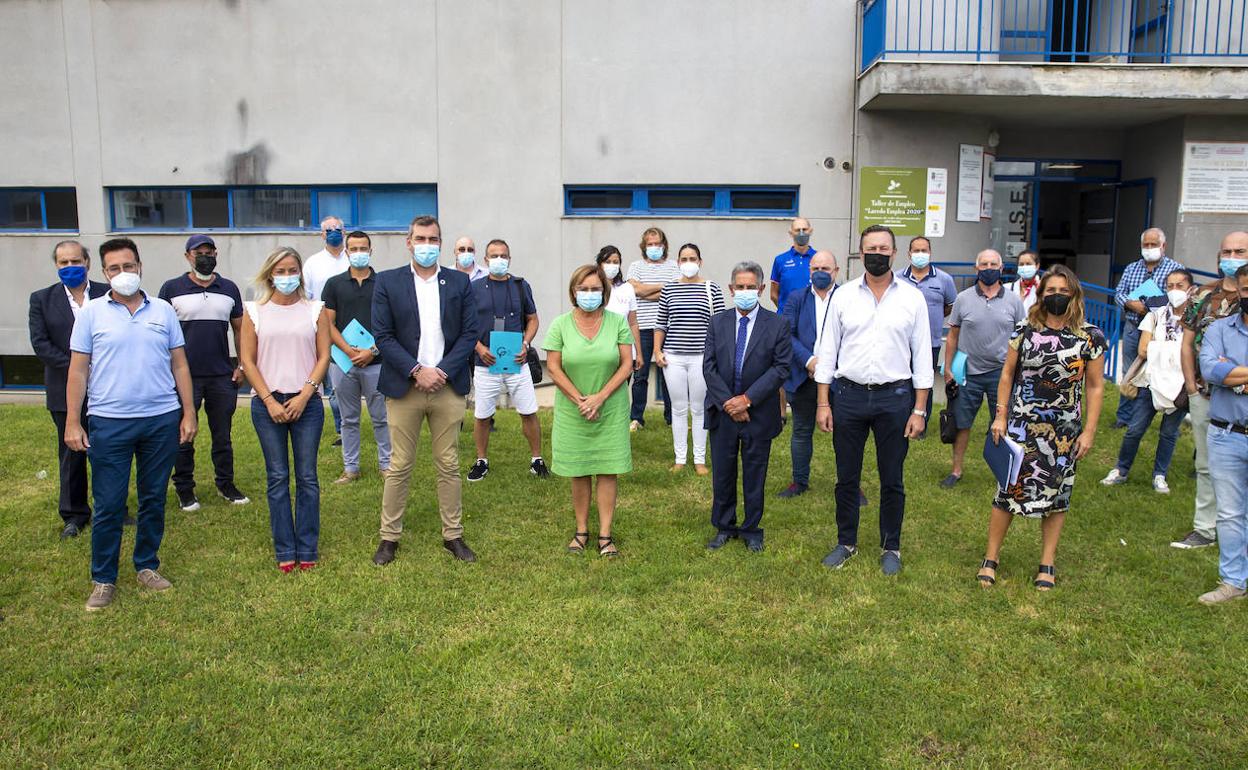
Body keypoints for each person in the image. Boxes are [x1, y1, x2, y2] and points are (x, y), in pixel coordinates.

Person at [65, 238, 197, 611]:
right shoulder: (91, 313)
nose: (123, 274)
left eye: (129, 266)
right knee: (108, 503)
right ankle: (103, 577)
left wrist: (188, 412)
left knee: (154, 497)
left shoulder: (163, 311)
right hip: (109, 421)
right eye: (114, 269)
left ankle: (147, 565)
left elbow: (180, 365)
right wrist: (73, 421)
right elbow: (78, 370)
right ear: (104, 273)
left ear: (140, 266)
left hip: (160, 419)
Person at [977, 265, 1106, 591]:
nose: (1057, 296)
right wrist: (1000, 416)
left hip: (1064, 433)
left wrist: (1089, 431)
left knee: (1058, 498)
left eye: (1063, 290)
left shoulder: (1091, 337)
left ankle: (1047, 563)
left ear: (1074, 294)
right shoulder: (1024, 330)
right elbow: (1007, 375)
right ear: (1041, 294)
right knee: (1007, 492)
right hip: (1022, 427)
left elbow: (1094, 387)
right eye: (1051, 291)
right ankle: (990, 558)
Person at [816, 225, 933, 576]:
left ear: (894, 254)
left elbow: (922, 356)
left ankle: (891, 547)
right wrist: (823, 403)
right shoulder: (844, 296)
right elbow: (827, 352)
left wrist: (919, 409)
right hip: (848, 396)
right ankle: (846, 542)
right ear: (861, 253)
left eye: (884, 248)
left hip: (895, 399)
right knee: (846, 476)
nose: (877, 253)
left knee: (892, 478)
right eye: (871, 248)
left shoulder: (912, 298)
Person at [371, 215, 480, 566]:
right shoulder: (387, 282)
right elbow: (383, 336)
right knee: (400, 464)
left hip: (448, 386)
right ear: (408, 242)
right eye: (421, 239)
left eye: (433, 239)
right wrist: (416, 370)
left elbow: (468, 333)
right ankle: (389, 538)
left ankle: (453, 535)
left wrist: (442, 371)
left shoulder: (459, 284)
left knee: (448, 463)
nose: (427, 245)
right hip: (405, 386)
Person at [238, 247, 331, 572]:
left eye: (293, 271)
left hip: (306, 404)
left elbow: (323, 356)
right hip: (268, 405)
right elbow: (248, 361)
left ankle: (307, 548)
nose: (287, 277)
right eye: (281, 271)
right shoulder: (254, 312)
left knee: (307, 478)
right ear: (269, 275)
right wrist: (268, 400)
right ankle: (284, 550)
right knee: (277, 477)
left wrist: (306, 394)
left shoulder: (315, 310)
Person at [543, 264, 634, 557]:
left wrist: (600, 398)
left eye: (595, 289)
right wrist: (581, 400)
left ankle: (606, 535)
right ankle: (581, 531)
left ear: (604, 292)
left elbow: (626, 365)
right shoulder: (559, 325)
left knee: (608, 470)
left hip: (610, 408)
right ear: (573, 291)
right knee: (579, 470)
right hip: (573, 411)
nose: (589, 294)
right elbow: (554, 368)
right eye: (583, 289)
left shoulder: (617, 322)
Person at [703, 261, 791, 552]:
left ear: (762, 289)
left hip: (758, 412)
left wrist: (747, 399)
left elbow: (780, 368)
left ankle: (752, 528)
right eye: (739, 287)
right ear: (730, 289)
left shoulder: (777, 324)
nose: (745, 291)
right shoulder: (717, 323)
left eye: (750, 287)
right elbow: (709, 367)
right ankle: (724, 525)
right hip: (723, 411)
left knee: (755, 473)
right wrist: (729, 403)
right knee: (723, 472)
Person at [158, 234, 250, 511]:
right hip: (183, 376)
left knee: (223, 435)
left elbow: (240, 330)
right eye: (199, 252)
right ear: (188, 255)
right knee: (184, 435)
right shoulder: (171, 288)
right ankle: (185, 488)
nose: (205, 256)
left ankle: (226, 484)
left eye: (209, 251)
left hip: (221, 375)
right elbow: (160, 332)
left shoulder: (229, 288)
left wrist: (242, 365)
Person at [1172, 231, 1248, 550]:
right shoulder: (1202, 295)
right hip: (1206, 394)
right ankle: (1205, 527)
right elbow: (1188, 342)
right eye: (1226, 251)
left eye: (1239, 251)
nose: (1232, 257)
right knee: (1206, 464)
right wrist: (1191, 385)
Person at [29, 241, 109, 538]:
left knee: (108, 452)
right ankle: (74, 515)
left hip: (107, 390)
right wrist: (80, 367)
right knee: (72, 452)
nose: (69, 266)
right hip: (64, 389)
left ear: (87, 262)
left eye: (75, 260)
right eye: (63, 262)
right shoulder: (42, 299)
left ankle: (112, 507)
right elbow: (41, 344)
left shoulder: (107, 293)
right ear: (56, 266)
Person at [1101, 269, 1195, 494]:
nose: (1174, 291)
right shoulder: (1156, 315)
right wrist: (1178, 352)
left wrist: (1162, 348)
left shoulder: (1196, 319)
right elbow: (1143, 349)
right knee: (1135, 429)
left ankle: (1159, 475)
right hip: (1150, 382)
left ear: (1190, 289)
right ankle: (1121, 470)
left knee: (1169, 433)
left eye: (1179, 286)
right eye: (1170, 286)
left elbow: (1195, 353)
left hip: (1180, 387)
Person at [940, 249, 1025, 488]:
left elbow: (1022, 337)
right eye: (984, 264)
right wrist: (948, 368)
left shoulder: (1013, 301)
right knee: (961, 423)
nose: (989, 268)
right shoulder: (963, 298)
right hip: (967, 371)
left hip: (1002, 373)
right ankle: (956, 470)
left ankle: (1005, 473)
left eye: (993, 264)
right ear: (977, 269)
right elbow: (953, 335)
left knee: (1002, 423)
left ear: (1001, 268)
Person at [466, 238, 548, 481]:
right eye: (493, 256)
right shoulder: (473, 288)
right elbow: (465, 324)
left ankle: (537, 459)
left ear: (509, 259)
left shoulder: (521, 286)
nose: (498, 260)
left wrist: (526, 343)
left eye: (503, 255)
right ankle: (481, 460)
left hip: (516, 361)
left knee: (529, 412)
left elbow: (533, 319)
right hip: (485, 362)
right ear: (485, 260)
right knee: (482, 415)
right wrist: (479, 349)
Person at [1196, 264, 1248, 605]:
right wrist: (1225, 372)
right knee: (1229, 513)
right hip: (1226, 435)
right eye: (1245, 289)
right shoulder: (1219, 329)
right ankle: (1233, 581)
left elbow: (1225, 371)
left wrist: (1235, 372)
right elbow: (1210, 369)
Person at [321, 230, 390, 484]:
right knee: (348, 419)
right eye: (354, 249)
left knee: (381, 417)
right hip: (343, 362)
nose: (359, 253)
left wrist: (371, 352)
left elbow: (391, 324)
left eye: (364, 248)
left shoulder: (384, 283)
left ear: (370, 251)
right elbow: (328, 324)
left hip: (377, 362)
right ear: (347, 252)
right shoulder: (334, 284)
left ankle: (387, 465)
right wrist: (350, 352)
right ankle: (351, 468)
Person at [654, 243, 725, 475]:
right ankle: (680, 458)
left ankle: (700, 459)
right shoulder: (669, 289)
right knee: (678, 408)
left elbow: (720, 325)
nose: (688, 262)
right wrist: (657, 351)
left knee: (699, 408)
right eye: (683, 258)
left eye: (692, 258)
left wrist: (716, 356)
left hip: (701, 359)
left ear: (700, 261)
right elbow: (661, 324)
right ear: (678, 262)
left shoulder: (711, 288)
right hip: (673, 357)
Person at [779, 249, 839, 498]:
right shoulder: (796, 298)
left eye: (825, 269)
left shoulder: (848, 298)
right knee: (802, 430)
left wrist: (832, 365)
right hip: (804, 375)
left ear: (836, 271)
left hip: (840, 378)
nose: (820, 273)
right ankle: (799, 481)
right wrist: (810, 360)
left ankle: (849, 484)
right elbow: (787, 333)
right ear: (809, 271)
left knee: (847, 434)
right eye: (815, 269)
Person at [1112, 228, 1185, 428]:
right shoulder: (1132, 268)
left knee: (1156, 371)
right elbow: (1119, 292)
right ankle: (1124, 417)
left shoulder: (1175, 268)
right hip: (1133, 325)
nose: (1149, 248)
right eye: (1146, 245)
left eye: (1154, 244)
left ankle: (1155, 416)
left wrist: (1152, 307)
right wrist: (1129, 303)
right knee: (1129, 371)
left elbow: (1177, 296)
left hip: (1159, 330)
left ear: (1164, 246)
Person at [626, 227, 680, 431]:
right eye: (650, 244)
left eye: (657, 244)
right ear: (644, 246)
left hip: (667, 326)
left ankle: (672, 417)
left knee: (668, 373)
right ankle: (637, 418)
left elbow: (674, 291)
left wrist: (645, 290)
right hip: (642, 327)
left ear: (664, 245)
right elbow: (634, 290)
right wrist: (662, 286)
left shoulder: (674, 266)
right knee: (640, 374)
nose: (654, 247)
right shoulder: (635, 266)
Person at [302, 215, 347, 444]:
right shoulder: (312, 263)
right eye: (328, 230)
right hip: (321, 328)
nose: (333, 232)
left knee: (346, 378)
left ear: (344, 231)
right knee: (331, 381)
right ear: (322, 234)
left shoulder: (353, 258)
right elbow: (307, 297)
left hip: (349, 328)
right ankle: (340, 428)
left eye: (337, 228)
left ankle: (350, 423)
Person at [897, 236, 957, 375]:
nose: (920, 254)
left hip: (931, 343)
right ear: (909, 254)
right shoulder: (897, 278)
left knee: (925, 384)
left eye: (924, 250)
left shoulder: (944, 279)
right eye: (916, 250)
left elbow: (951, 305)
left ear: (930, 253)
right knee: (901, 385)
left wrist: (936, 313)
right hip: (902, 343)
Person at [596, 245, 643, 372]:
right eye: (608, 262)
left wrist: (638, 353)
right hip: (600, 352)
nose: (612, 265)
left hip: (625, 353)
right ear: (600, 264)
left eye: (615, 262)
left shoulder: (627, 288)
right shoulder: (594, 288)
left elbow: (633, 323)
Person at [769, 217, 816, 312]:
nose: (801, 233)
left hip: (811, 318)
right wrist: (786, 310)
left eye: (804, 229)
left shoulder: (819, 259)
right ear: (791, 233)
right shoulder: (780, 260)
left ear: (810, 231)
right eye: (798, 230)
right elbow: (774, 294)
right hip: (787, 319)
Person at [1006, 249, 1042, 315]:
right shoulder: (1007, 288)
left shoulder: (1042, 288)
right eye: (1021, 264)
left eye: (1028, 264)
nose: (1024, 267)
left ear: (1037, 266)